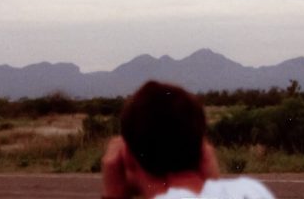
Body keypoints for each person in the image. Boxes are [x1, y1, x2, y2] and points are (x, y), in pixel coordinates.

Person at [100, 80, 276, 199]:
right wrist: (211, 185)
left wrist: (114, 195)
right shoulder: (252, 191)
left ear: (128, 158)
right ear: (203, 150)